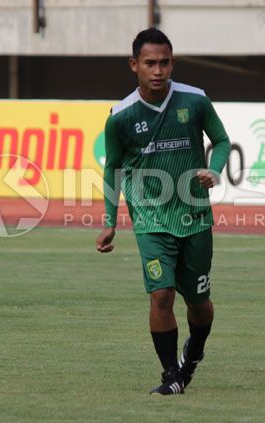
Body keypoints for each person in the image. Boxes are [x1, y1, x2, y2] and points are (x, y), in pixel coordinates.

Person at [95, 27, 231, 396]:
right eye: (150, 63)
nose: (158, 70)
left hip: (195, 217)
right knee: (162, 296)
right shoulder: (121, 116)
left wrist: (214, 170)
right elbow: (114, 168)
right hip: (151, 219)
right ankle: (171, 374)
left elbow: (220, 141)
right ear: (134, 65)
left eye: (165, 62)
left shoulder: (195, 100)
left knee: (199, 303)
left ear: (173, 63)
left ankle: (195, 351)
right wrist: (110, 221)